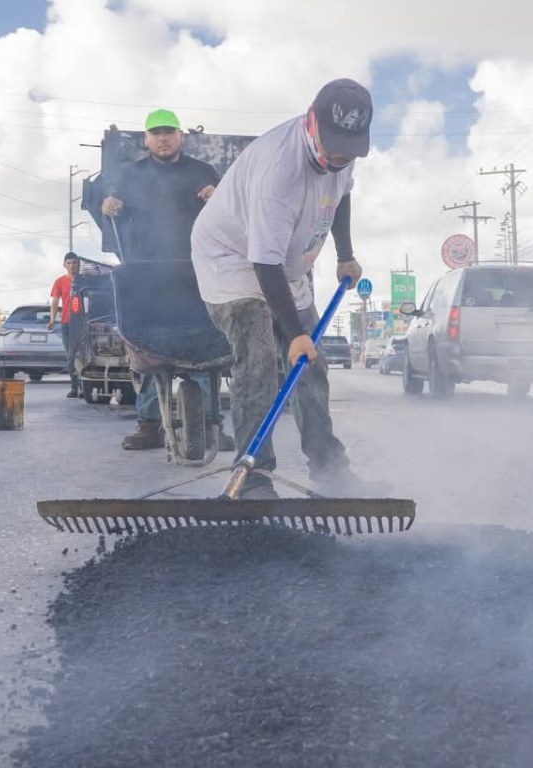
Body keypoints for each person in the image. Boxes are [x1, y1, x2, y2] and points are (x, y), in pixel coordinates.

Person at [189, 78, 387, 499]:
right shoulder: (279, 172)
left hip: (287, 262)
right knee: (259, 357)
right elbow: (263, 262)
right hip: (232, 259)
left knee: (311, 364)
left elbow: (341, 195)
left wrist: (345, 255)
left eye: (349, 149)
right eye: (333, 146)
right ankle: (254, 476)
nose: (340, 157)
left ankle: (330, 470)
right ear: (310, 120)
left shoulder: (343, 154)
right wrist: (294, 333)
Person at [98, 108, 228, 451]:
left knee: (206, 343)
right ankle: (149, 422)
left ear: (180, 136)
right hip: (147, 274)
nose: (163, 138)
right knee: (146, 345)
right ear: (146, 139)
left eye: (169, 132)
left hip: (196, 272)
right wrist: (108, 207)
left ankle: (210, 421)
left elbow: (229, 214)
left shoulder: (203, 172)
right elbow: (110, 213)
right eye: (155, 133)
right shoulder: (131, 175)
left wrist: (217, 197)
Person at [49, 252, 81, 397]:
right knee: (70, 356)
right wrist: (52, 319)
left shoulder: (84, 280)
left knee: (85, 355)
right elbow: (55, 302)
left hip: (82, 324)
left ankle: (83, 385)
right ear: (64, 265)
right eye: (69, 263)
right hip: (67, 323)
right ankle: (74, 387)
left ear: (78, 264)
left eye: (74, 263)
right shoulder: (59, 282)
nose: (71, 266)